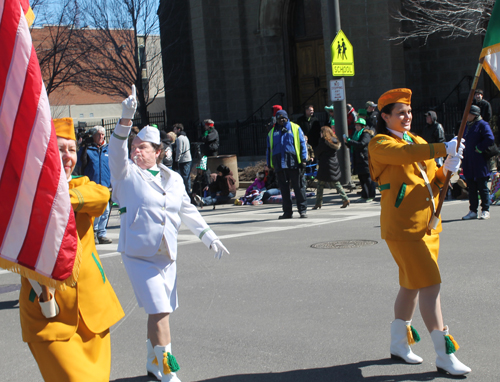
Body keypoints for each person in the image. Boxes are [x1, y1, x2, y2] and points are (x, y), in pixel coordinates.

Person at [109, 86, 229, 382]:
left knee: (158, 311)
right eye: (134, 146)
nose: (136, 151)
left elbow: (187, 210)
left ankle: (153, 361)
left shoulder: (173, 178)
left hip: (166, 254)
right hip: (138, 254)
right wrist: (126, 117)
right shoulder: (126, 174)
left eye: (142, 147)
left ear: (158, 152)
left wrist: (209, 237)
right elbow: (116, 149)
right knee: (160, 310)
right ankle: (167, 369)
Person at [368, 88, 470, 376]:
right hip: (403, 228)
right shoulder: (379, 144)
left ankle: (399, 344)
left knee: (411, 285)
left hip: (427, 227)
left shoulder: (418, 140)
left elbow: (431, 185)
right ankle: (444, 355)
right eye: (400, 113)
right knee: (430, 285)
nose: (407, 117)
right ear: (385, 116)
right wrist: (442, 148)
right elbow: (404, 155)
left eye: (409, 112)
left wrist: (448, 169)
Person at [19, 118, 124, 382]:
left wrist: (62, 198)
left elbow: (101, 196)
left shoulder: (81, 186)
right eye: (59, 149)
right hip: (49, 313)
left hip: (93, 312)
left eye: (71, 149)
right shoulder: (26, 192)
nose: (67, 156)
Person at [267, 109, 308, 218]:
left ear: (287, 118)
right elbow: (269, 149)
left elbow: (302, 144)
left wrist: (304, 160)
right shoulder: (272, 132)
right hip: (279, 164)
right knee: (284, 190)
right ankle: (287, 212)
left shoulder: (295, 128)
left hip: (293, 163)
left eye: (283, 118)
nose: (281, 120)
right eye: (279, 118)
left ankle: (302, 210)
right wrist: (269, 164)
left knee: (298, 188)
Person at [78, 125, 113, 244]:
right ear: (93, 136)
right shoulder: (88, 149)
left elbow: (112, 166)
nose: (101, 136)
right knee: (96, 211)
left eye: (102, 134)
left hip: (105, 185)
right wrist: (83, 146)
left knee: (106, 211)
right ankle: (93, 231)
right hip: (92, 185)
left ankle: (102, 234)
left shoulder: (107, 149)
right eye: (98, 134)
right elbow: (79, 163)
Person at [461, 104, 495, 220]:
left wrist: (479, 148)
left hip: (479, 160)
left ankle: (485, 210)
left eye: (468, 114)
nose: (466, 116)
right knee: (471, 187)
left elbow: (490, 138)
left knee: (482, 186)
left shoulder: (482, 124)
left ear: (474, 115)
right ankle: (473, 211)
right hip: (468, 160)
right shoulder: (466, 125)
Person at [312, 126, 350, 209]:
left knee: (320, 184)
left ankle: (318, 203)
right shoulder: (334, 141)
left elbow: (317, 152)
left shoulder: (323, 142)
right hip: (334, 165)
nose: (320, 134)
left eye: (321, 132)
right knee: (336, 183)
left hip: (325, 166)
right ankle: (345, 199)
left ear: (324, 133)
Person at [344, 118, 375, 202]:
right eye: (356, 125)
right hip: (357, 159)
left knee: (368, 178)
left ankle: (371, 195)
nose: (356, 127)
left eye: (358, 125)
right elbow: (354, 145)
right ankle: (364, 195)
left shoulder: (366, 134)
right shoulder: (356, 133)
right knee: (361, 178)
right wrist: (347, 142)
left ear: (362, 126)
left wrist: (350, 141)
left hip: (364, 159)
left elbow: (361, 144)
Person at [173, 123, 192, 194]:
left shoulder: (179, 138)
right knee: (187, 176)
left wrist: (176, 160)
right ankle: (188, 190)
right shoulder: (185, 136)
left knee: (184, 176)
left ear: (179, 129)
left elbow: (179, 150)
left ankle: (187, 191)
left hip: (183, 159)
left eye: (175, 129)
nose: (173, 130)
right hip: (188, 158)